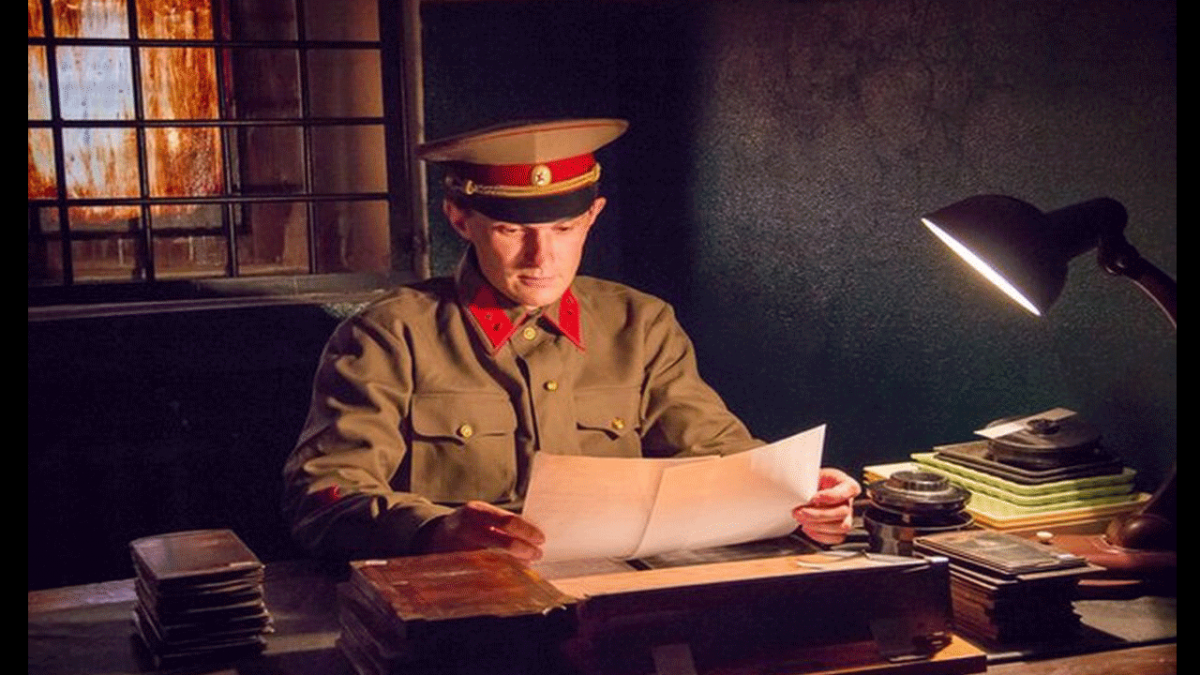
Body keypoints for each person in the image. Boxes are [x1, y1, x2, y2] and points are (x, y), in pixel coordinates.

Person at [282, 118, 861, 563]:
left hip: (621, 602)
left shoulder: (641, 325)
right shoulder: (390, 334)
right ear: (460, 219)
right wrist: (433, 530)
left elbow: (718, 456)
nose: (542, 258)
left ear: (593, 216)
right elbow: (323, 493)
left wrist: (799, 496)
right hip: (466, 604)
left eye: (563, 229)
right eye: (511, 230)